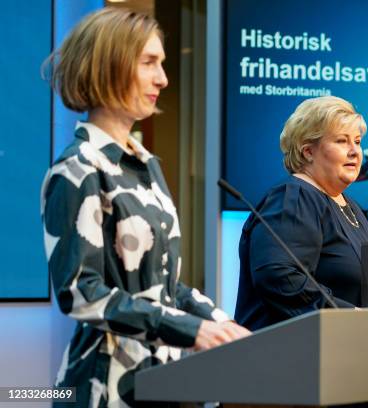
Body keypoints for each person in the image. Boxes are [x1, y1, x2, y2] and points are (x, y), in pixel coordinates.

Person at [41, 8, 249, 407]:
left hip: (164, 380)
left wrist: (221, 324)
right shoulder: (77, 168)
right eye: (149, 63)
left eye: (163, 64)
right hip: (105, 387)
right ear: (109, 66)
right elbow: (81, 293)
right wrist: (189, 330)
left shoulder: (147, 166)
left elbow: (164, 286)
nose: (163, 79)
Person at [235, 96, 368, 332]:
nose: (355, 152)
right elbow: (280, 277)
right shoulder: (294, 198)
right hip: (296, 359)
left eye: (358, 142)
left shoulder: (354, 209)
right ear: (308, 151)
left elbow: (366, 286)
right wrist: (349, 317)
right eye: (342, 141)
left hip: (356, 359)